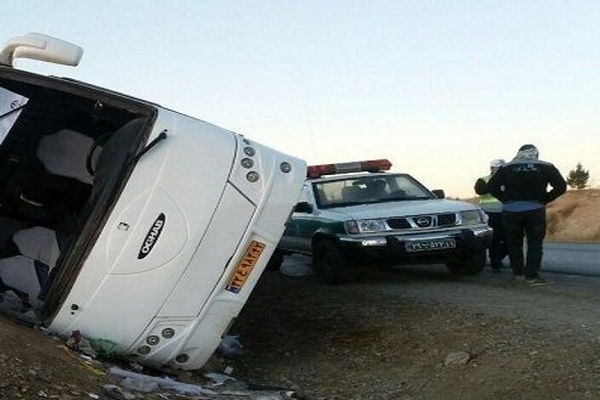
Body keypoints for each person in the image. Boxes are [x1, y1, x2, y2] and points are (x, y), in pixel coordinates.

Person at [487, 144, 566, 287]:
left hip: (510, 211)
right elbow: (561, 186)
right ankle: (532, 276)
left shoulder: (507, 167)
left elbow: (491, 187)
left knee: (513, 243)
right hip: (535, 210)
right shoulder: (547, 166)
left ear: (518, 153)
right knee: (535, 243)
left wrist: (505, 199)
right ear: (536, 154)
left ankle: (518, 274)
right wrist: (545, 199)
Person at [474, 159, 507, 272]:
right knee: (495, 239)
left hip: (506, 213)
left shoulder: (509, 180)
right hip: (490, 213)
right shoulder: (483, 180)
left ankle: (498, 258)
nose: (502, 170)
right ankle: (496, 263)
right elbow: (480, 190)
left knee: (509, 239)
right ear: (492, 168)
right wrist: (497, 187)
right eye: (499, 167)